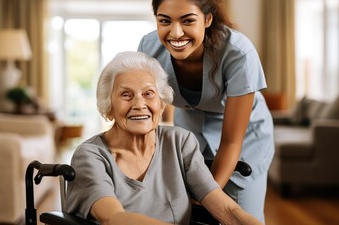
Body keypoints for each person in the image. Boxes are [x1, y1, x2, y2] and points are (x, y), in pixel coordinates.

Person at [65, 51, 262, 225]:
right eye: (126, 95)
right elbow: (114, 219)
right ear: (108, 109)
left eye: (149, 93)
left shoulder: (180, 142)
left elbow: (226, 209)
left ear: (161, 104)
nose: (139, 104)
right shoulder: (90, 156)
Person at [137, 0, 275, 222]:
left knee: (238, 214)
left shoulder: (238, 53)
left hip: (244, 139)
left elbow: (232, 141)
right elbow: (146, 121)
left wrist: (207, 196)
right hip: (189, 129)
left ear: (208, 19)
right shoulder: (148, 49)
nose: (176, 32)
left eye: (188, 20)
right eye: (165, 21)